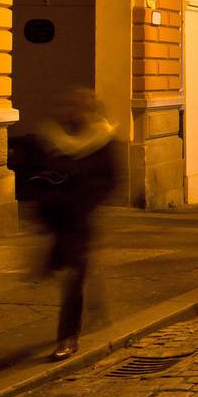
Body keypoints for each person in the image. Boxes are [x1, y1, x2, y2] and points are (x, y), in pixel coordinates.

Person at [31, 88, 120, 360]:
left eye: (80, 105)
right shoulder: (51, 136)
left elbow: (111, 179)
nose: (74, 110)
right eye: (70, 105)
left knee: (73, 275)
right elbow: (37, 173)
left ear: (90, 110)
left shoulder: (103, 139)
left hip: (82, 218)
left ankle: (68, 337)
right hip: (57, 217)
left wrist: (87, 202)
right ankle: (97, 307)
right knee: (68, 270)